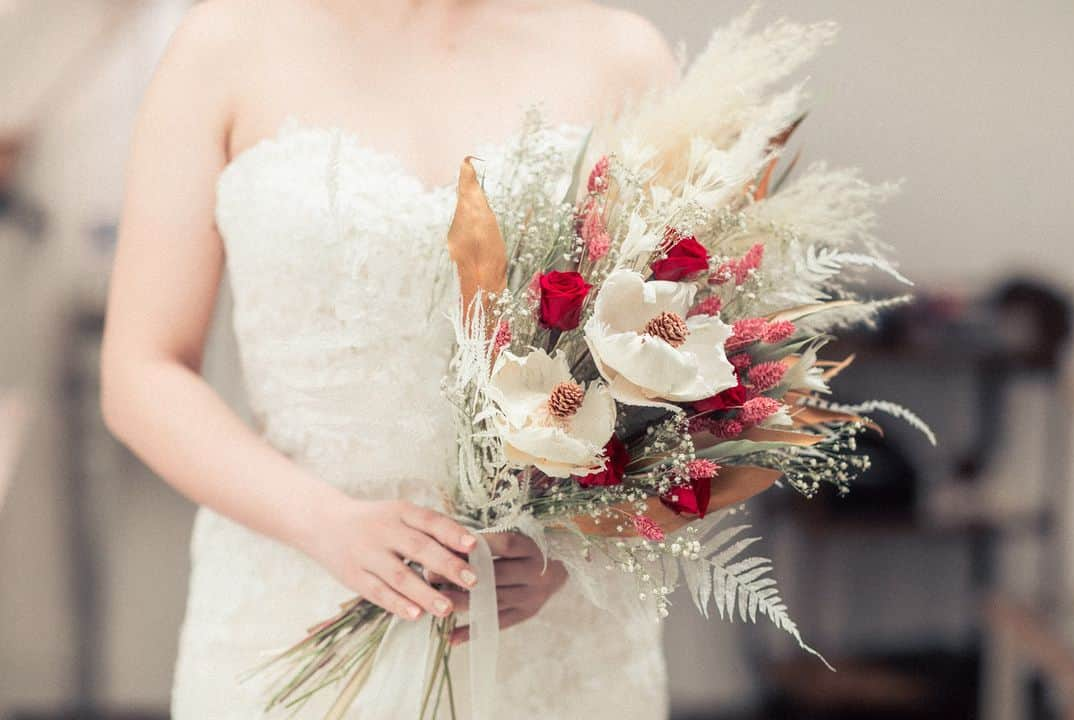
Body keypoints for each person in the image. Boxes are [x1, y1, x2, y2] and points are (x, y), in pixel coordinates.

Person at [101, 0, 678, 716]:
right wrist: (321, 521)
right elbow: (141, 371)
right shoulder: (223, 42)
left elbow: (683, 361)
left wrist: (570, 544)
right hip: (293, 590)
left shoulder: (622, 55)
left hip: (547, 634)